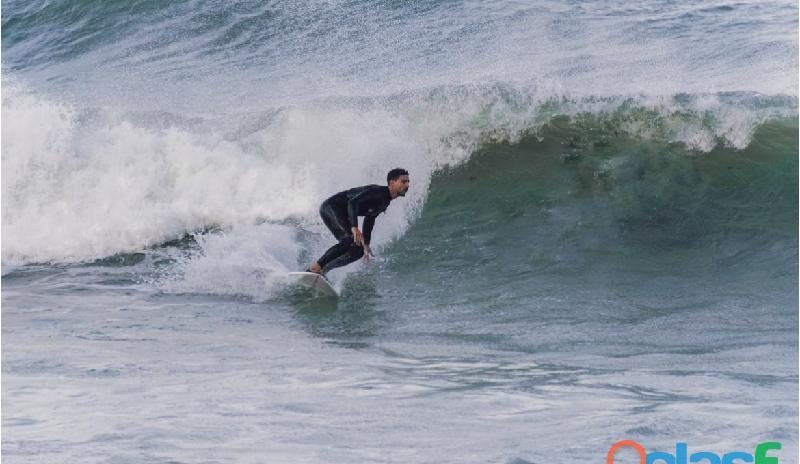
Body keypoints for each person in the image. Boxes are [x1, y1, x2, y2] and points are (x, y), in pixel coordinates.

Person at [306, 168, 410, 274]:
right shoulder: (378, 192)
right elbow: (353, 202)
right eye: (403, 181)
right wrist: (354, 227)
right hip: (332, 207)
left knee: (358, 250)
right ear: (392, 183)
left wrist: (366, 244)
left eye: (408, 182)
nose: (407, 185)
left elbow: (370, 218)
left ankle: (324, 270)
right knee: (349, 240)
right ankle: (315, 267)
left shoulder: (385, 200)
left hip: (342, 213)